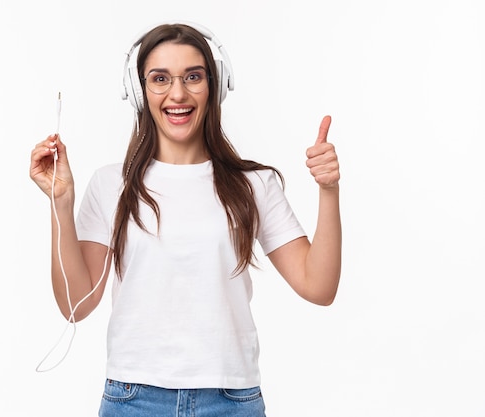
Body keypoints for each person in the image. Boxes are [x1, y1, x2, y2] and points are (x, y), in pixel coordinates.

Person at [29, 22, 341, 417]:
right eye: (160, 79)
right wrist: (61, 203)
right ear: (139, 90)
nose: (178, 93)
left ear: (216, 84)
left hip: (231, 400)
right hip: (133, 399)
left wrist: (328, 191)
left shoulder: (253, 185)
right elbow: (76, 304)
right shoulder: (112, 184)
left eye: (193, 77)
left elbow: (320, 287)